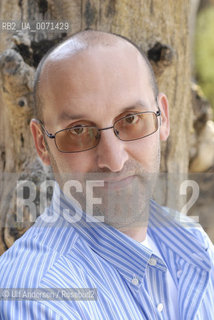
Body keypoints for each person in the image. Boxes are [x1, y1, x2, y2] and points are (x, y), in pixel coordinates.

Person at [0, 30, 213, 320]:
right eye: (78, 131)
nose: (114, 160)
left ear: (163, 117)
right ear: (42, 144)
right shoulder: (37, 297)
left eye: (131, 120)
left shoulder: (192, 242)